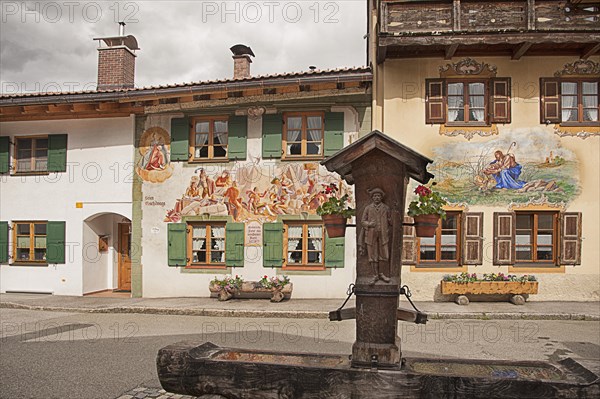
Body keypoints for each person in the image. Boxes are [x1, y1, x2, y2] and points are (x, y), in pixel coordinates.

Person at [359, 188, 392, 284]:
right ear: (372, 197)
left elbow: (390, 221)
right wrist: (369, 224)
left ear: (381, 197)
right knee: (372, 255)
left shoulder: (386, 208)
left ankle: (382, 273)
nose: (376, 198)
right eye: (375, 196)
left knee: (384, 255)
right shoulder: (368, 208)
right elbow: (362, 221)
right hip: (371, 234)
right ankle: (375, 275)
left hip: (383, 235)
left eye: (378, 196)